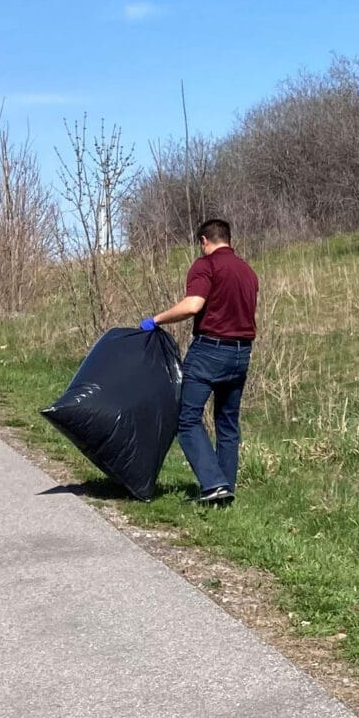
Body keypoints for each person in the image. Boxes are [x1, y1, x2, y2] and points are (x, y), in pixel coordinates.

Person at [144, 217, 259, 507]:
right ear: (229, 240)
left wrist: (155, 320)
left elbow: (193, 305)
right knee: (227, 423)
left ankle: (213, 483)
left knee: (187, 419)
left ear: (204, 241)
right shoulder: (247, 271)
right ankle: (224, 493)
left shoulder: (205, 265)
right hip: (241, 353)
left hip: (210, 350)